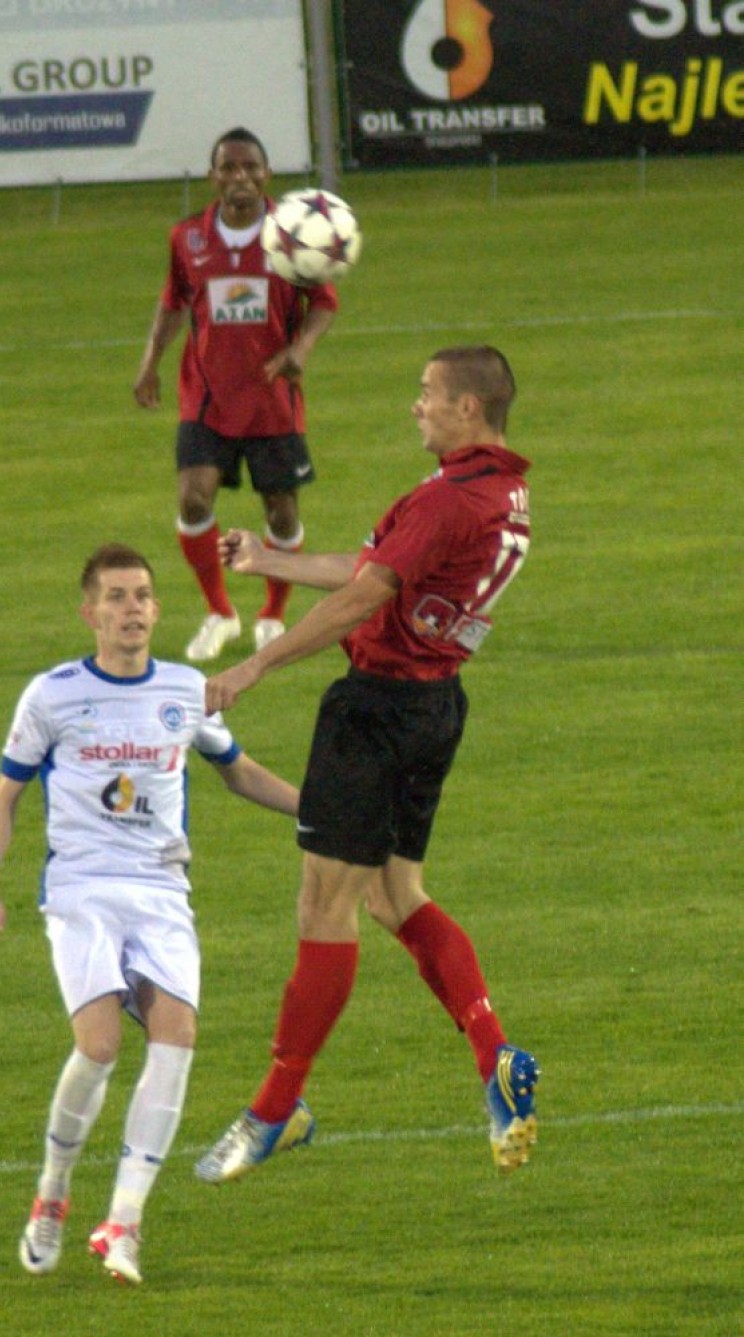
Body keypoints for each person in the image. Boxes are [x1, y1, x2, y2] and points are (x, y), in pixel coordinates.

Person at [193, 345, 541, 1185]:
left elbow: (363, 595)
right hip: (436, 707)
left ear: (468, 407)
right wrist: (270, 560)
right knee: (394, 894)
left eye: (427, 393)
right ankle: (495, 1052)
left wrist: (252, 667)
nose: (416, 406)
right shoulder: (503, 494)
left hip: (375, 714)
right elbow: (376, 572)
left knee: (326, 905)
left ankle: (276, 1108)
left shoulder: (447, 499)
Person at [0, 543, 299, 1285]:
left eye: (143, 595)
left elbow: (239, 771)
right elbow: (5, 797)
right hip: (82, 889)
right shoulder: (52, 695)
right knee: (100, 1045)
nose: (132, 609)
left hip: (160, 891)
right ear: (89, 613)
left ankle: (124, 1221)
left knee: (177, 1037)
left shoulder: (184, 690)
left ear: (156, 608)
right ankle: (53, 1191)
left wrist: (317, 811)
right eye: (116, 597)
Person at [133, 126, 339, 664]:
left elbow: (324, 301)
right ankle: (220, 612)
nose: (240, 176)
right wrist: (150, 362)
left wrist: (300, 349)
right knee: (193, 498)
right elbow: (173, 301)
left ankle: (272, 615)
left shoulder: (292, 234)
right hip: (206, 397)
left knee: (282, 514)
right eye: (229, 167)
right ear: (213, 176)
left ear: (266, 174)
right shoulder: (188, 237)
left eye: (250, 167)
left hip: (273, 400)